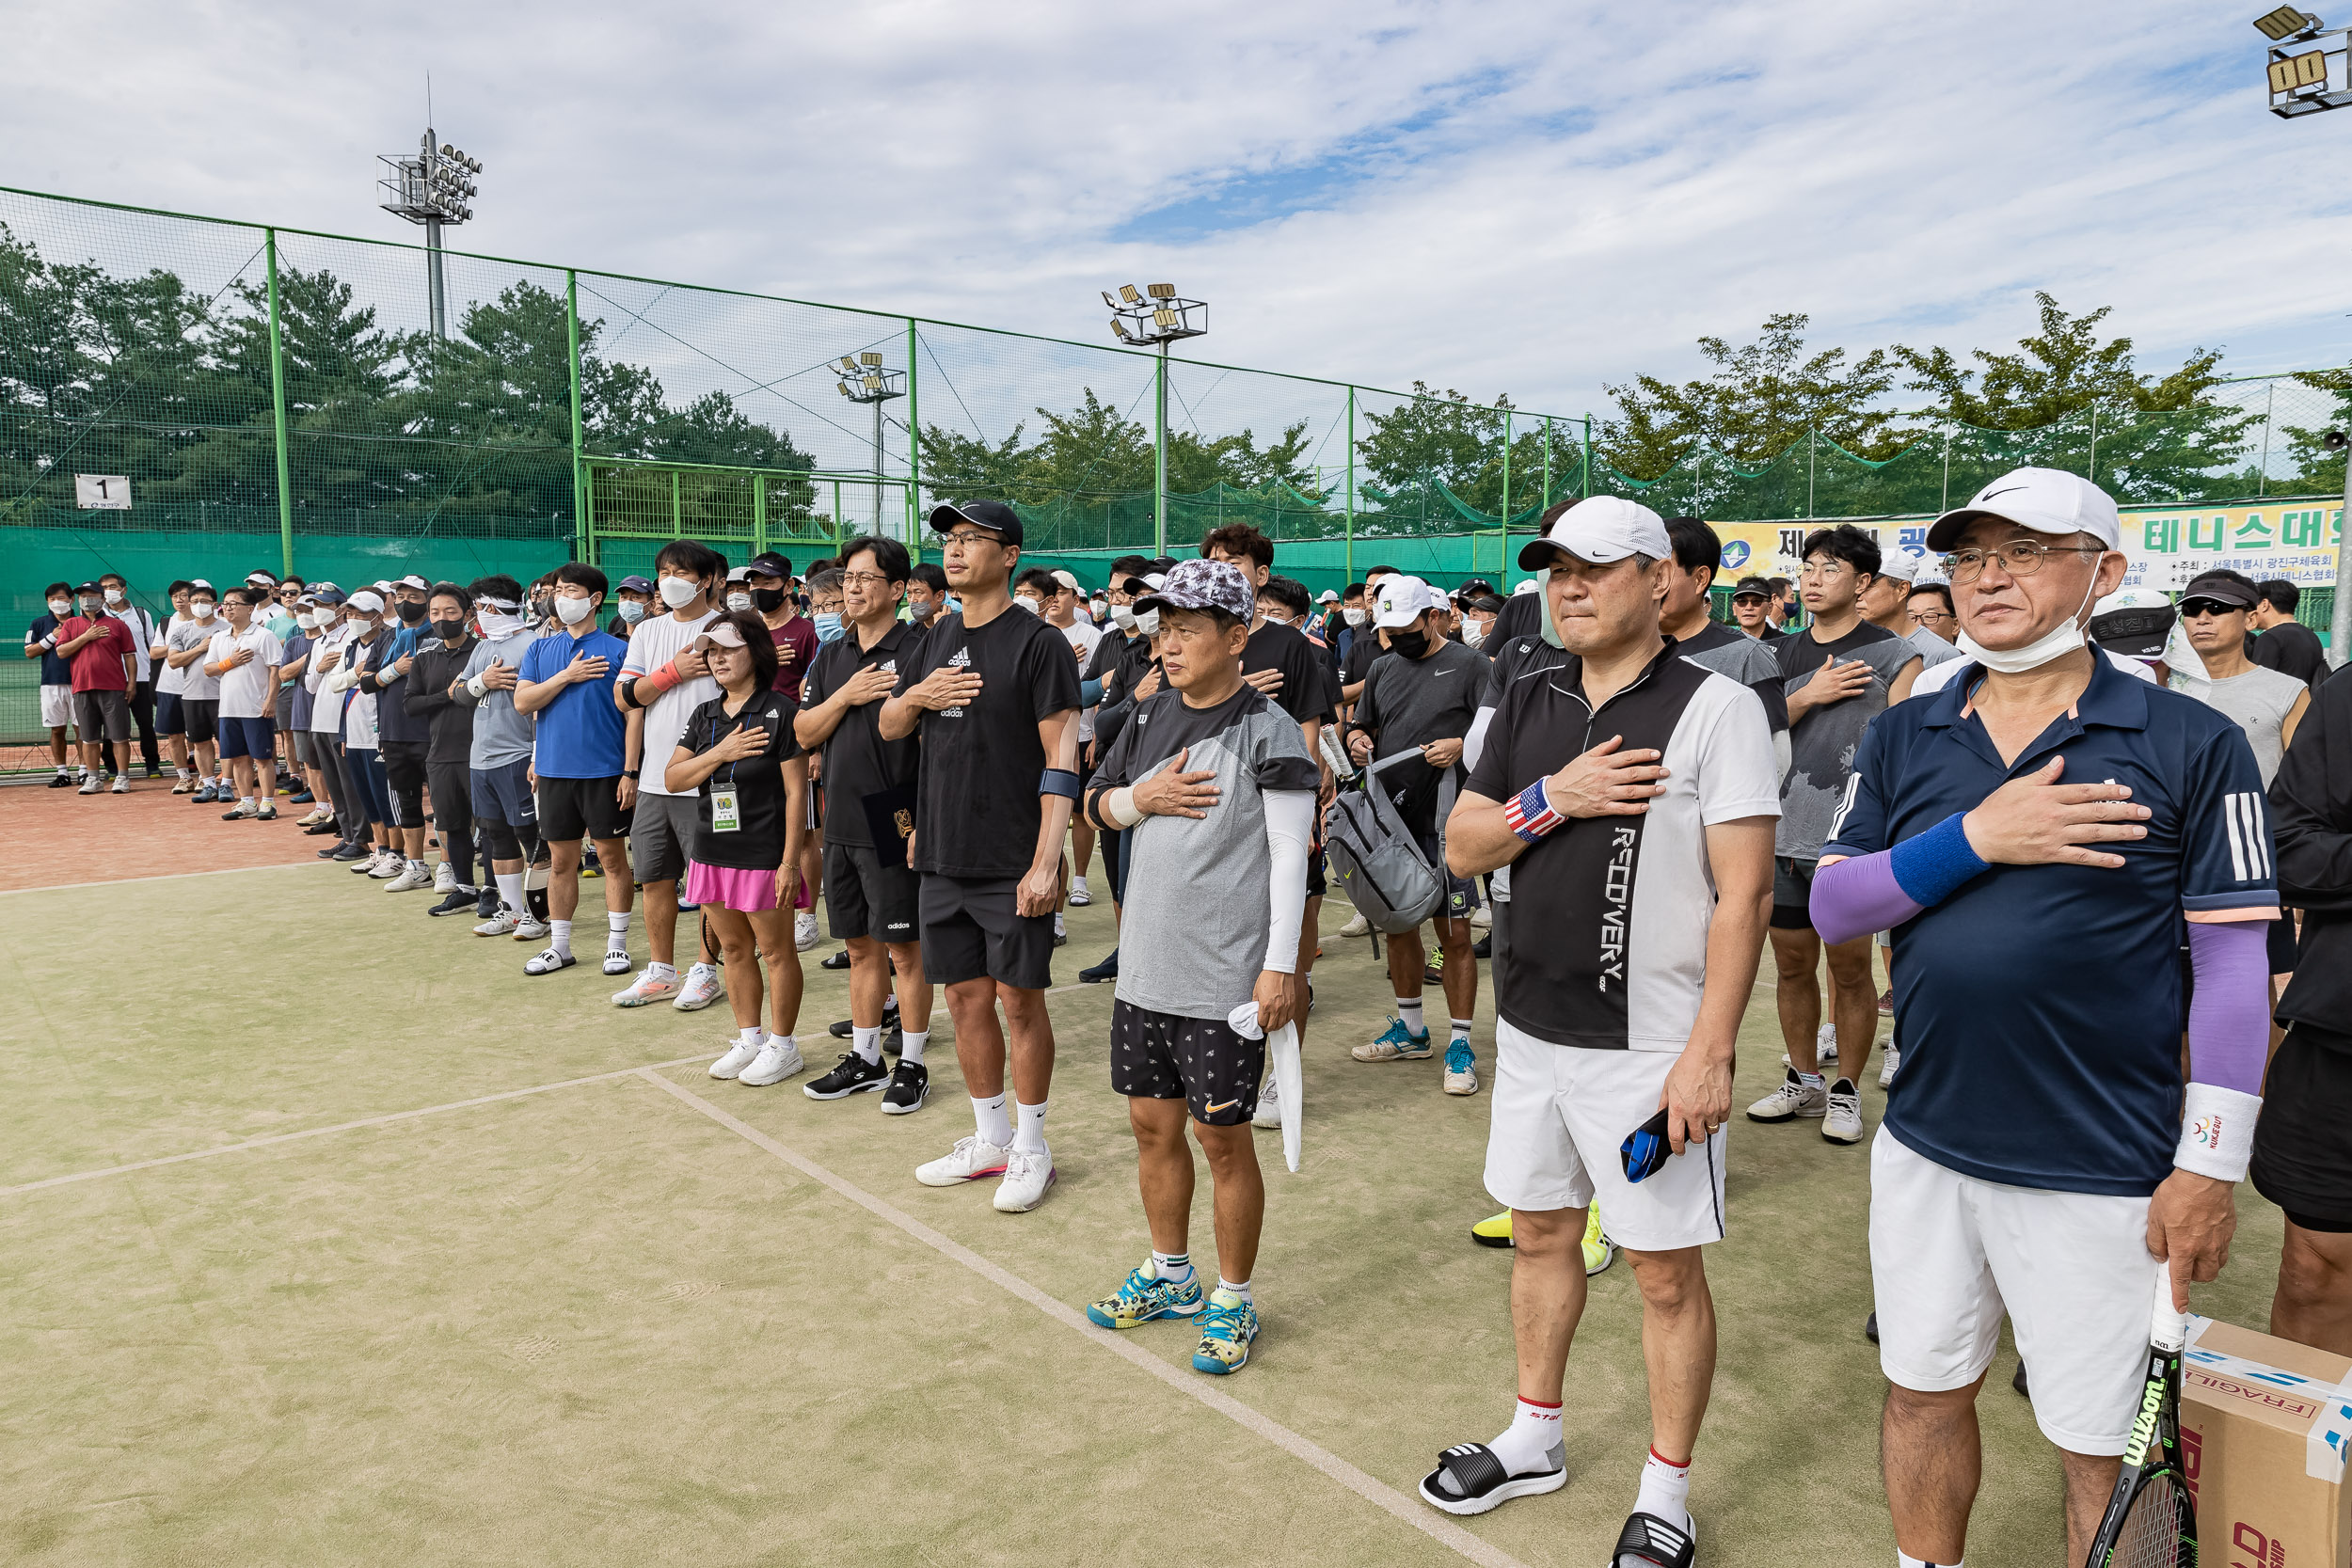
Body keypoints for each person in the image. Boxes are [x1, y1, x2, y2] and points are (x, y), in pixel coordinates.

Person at [1809, 467, 2277, 1568]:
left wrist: (2209, 1166)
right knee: (1921, 1391)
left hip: (2104, 1160)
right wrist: (1979, 835)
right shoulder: (1906, 731)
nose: (1990, 576)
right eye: (1972, 555)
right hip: (1924, 1139)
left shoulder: (2188, 737)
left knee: (2103, 1453)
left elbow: (2232, 958)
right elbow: (1834, 901)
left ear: (2102, 572)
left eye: (2025, 550)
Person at [1417, 499, 1775, 1548]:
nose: (1566, 588)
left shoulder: (1717, 707)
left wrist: (1709, 1053)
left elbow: (1743, 897)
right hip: (1529, 1028)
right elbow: (1465, 846)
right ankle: (1536, 1432)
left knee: (1663, 1270)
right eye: (1553, 570)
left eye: (1594, 569)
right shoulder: (1522, 692)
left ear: (1660, 580)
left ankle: (1665, 1487)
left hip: (1653, 1042)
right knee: (1538, 1231)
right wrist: (1556, 796)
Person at [1079, 558, 1317, 1376]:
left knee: (1223, 1139)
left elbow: (1291, 856)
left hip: (1224, 978)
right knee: (1152, 1127)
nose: (1168, 645)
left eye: (1187, 630)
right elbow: (1097, 802)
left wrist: (1279, 968)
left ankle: (1233, 1295)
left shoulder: (1267, 728)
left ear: (1236, 636)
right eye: (1163, 629)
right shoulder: (1146, 717)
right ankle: (1171, 1274)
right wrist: (1137, 801)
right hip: (1145, 967)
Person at [881, 500, 1081, 1213]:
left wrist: (1047, 861)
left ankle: (1033, 1146)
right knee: (963, 997)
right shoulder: (934, 638)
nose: (956, 550)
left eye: (973, 539)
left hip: (1011, 857)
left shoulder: (1039, 643)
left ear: (1011, 554)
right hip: (941, 854)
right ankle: (989, 1136)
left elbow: (1063, 754)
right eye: (950, 539)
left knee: (1018, 1000)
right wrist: (920, 695)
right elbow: (889, 720)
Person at [1746, 525, 1919, 1144]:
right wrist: (1808, 695)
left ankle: (1845, 1087)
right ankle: (1803, 1078)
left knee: (1848, 971)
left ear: (1864, 582)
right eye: (1808, 568)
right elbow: (1749, 735)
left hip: (1849, 841)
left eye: (1830, 568)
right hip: (1778, 834)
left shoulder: (1895, 655)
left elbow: (1903, 749)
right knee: (1792, 966)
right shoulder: (1775, 654)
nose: (1813, 579)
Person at [1200, 525, 1340, 1123]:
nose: (1221, 568)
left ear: (1261, 576)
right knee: (1226, 950)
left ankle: (1284, 1073)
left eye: (1234, 561)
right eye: (1211, 560)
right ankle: (1231, 1066)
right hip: (1211, 822)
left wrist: (1305, 814)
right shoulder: (1192, 641)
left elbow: (1307, 735)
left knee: (1291, 952)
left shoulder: (1293, 647)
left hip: (1278, 816)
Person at [795, 534, 936, 1113]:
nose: (851, 588)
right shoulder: (833, 657)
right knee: (858, 945)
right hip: (840, 816)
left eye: (865, 578)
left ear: (898, 589)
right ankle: (867, 1057)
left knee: (903, 946)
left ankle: (914, 1062)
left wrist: (922, 824)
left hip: (895, 814)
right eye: (846, 578)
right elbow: (804, 733)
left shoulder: (921, 649)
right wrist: (847, 695)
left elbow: (937, 744)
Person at [1345, 574, 1486, 1089]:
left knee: (1454, 934)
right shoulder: (1382, 668)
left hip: (1449, 822)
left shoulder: (1473, 666)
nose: (1398, 638)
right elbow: (1362, 725)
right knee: (1399, 923)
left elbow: (1498, 734)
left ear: (1434, 617)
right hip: (1390, 822)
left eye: (1407, 627)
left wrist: (1461, 744)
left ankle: (1461, 1043)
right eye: (1390, 630)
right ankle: (1410, 1031)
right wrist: (1359, 739)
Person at [670, 615, 813, 1088]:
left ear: (756, 652)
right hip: (711, 852)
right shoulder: (705, 715)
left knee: (775, 952)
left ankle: (782, 1045)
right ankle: (749, 1038)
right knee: (732, 948)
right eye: (711, 652)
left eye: (728, 650)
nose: (718, 659)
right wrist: (721, 752)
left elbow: (797, 794)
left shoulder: (780, 711)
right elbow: (676, 778)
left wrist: (790, 861)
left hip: (764, 854)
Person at [2262, 654, 2352, 1356]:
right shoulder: (2348, 695)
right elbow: (2287, 847)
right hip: (2340, 1035)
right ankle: (2313, 1468)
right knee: (2316, 1270)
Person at [2167, 569, 2311, 985]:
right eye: (2192, 610)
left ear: (2251, 618)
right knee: (2171, 997)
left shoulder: (2286, 690)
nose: (2203, 618)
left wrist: (2287, 867)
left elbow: (2302, 785)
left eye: (2218, 608)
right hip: (2168, 861)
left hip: (2253, 866)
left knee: (2251, 991)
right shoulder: (2161, 688)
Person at [614, 542, 725, 1007]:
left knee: (709, 883)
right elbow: (625, 698)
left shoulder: (730, 627)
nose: (669, 580)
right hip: (656, 781)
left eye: (680, 572)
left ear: (706, 580)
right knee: (655, 878)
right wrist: (672, 672)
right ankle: (660, 970)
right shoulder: (646, 630)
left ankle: (705, 969)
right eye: (663, 572)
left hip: (710, 777)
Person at [514, 563, 637, 977]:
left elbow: (635, 715)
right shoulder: (539, 650)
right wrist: (567, 676)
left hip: (605, 772)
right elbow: (523, 703)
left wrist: (629, 772)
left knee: (612, 859)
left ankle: (617, 945)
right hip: (553, 773)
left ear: (595, 599)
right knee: (562, 862)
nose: (559, 597)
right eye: (556, 590)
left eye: (568, 590)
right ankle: (559, 947)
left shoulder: (620, 649)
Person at [1075, 557, 1166, 985]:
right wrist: (1135, 699)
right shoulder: (1126, 653)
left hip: (1166, 786)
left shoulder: (1192, 662)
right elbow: (1105, 718)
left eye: (1150, 598)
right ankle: (1128, 951)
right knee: (1118, 876)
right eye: (1136, 597)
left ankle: (1154, 959)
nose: (1139, 605)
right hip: (1122, 781)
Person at [453, 578, 546, 938]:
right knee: (495, 834)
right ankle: (512, 910)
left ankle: (539, 914)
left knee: (530, 834)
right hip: (482, 758)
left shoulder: (533, 644)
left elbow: (543, 707)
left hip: (519, 755)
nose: (476, 615)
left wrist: (538, 755)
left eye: (479, 607)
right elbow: (458, 693)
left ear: (492, 608)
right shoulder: (484, 647)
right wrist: (483, 682)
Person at [406, 582, 485, 916]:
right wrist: (447, 696)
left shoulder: (484, 651)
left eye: (450, 612)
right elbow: (410, 704)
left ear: (468, 614)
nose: (441, 619)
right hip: (440, 755)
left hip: (480, 754)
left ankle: (495, 891)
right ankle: (465, 888)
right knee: (452, 826)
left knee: (490, 826)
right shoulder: (425, 657)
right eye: (435, 613)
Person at [321, 591, 402, 876]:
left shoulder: (391, 640)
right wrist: (343, 733)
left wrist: (358, 676)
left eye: (360, 614)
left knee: (385, 797)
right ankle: (380, 851)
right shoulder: (351, 647)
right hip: (353, 733)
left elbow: (383, 681)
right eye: (350, 613)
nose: (353, 618)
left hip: (380, 733)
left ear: (378, 617)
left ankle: (397, 853)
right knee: (367, 798)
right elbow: (335, 685)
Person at [366, 576, 437, 890]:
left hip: (434, 732)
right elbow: (367, 682)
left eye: (414, 595)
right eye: (400, 595)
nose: (405, 600)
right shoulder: (385, 638)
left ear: (428, 599)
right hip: (393, 733)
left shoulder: (440, 634)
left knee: (445, 804)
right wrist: (395, 670)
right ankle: (416, 865)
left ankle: (449, 866)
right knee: (406, 803)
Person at [201, 587, 285, 820]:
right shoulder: (220, 638)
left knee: (262, 758)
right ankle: (246, 802)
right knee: (237, 758)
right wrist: (230, 662)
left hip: (256, 708)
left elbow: (275, 670)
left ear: (250, 608)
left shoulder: (263, 636)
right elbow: (209, 669)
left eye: (233, 604)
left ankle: (267, 802)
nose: (227, 608)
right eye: (225, 604)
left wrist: (270, 700)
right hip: (229, 708)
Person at [52, 581, 140, 795]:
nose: (87, 599)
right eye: (82, 596)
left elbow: (130, 656)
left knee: (120, 736)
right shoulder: (71, 625)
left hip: (114, 688)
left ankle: (122, 778)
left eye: (92, 595)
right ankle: (93, 779)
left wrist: (131, 684)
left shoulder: (118, 625)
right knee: (88, 737)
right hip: (82, 689)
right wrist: (86, 637)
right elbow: (62, 652)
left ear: (102, 599)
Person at [98, 572, 163, 780]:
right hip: (112, 680)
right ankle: (111, 767)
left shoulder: (142, 614)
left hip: (142, 677)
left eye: (113, 587)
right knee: (112, 726)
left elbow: (152, 645)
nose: (109, 591)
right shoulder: (98, 615)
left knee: (145, 723)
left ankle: (152, 764)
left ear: (124, 590)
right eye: (104, 587)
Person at [166, 581, 227, 801]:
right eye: (195, 601)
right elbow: (173, 661)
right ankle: (208, 782)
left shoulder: (226, 629)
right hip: (192, 695)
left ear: (214, 604)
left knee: (226, 742)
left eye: (204, 601)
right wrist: (201, 648)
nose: (199, 605)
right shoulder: (181, 631)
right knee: (200, 742)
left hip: (223, 695)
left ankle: (227, 783)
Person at [1858, 549, 1963, 673]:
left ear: (1902, 590)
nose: (1858, 594)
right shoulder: (1853, 642)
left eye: (1869, 586)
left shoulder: (1941, 654)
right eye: (1857, 585)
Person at [25, 581, 80, 787]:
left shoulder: (82, 621)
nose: (57, 603)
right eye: (52, 599)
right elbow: (30, 652)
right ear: (47, 602)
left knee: (81, 729)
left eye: (62, 598)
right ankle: (62, 772)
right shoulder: (38, 624)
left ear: (71, 600)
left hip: (80, 683)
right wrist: (52, 637)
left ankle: (85, 771)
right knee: (57, 730)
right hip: (50, 685)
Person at [2249, 578, 2328, 689]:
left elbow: (2258, 683)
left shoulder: (2270, 638)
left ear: (2264, 604)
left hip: (2277, 703)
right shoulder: (2311, 636)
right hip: (2305, 703)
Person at [1727, 576, 1777, 641]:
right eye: (1742, 601)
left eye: (1757, 601)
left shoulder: (1784, 643)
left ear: (1769, 608)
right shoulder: (1726, 644)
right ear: (1734, 608)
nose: (1749, 608)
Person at [905, 562, 950, 629]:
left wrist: (940, 629)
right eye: (909, 593)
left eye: (918, 593)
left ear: (939, 596)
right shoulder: (910, 630)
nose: (912, 600)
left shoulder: (955, 629)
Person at [610, 574, 655, 640]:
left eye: (636, 597)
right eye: (624, 597)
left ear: (651, 605)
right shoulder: (614, 639)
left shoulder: (661, 636)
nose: (628, 602)